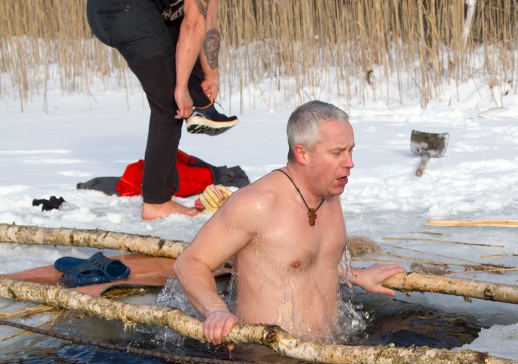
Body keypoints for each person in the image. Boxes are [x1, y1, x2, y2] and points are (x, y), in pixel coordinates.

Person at [174, 100, 406, 344]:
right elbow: (190, 262)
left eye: (351, 150)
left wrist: (357, 276)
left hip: (329, 352)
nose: (349, 163)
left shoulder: (328, 195)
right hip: (267, 362)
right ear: (302, 153)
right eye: (337, 153)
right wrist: (215, 310)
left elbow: (300, 262)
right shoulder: (257, 204)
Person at [86, 0, 238, 220]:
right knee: (170, 104)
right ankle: (156, 202)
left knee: (187, 40)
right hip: (124, 9)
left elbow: (207, 20)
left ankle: (202, 105)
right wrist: (181, 87)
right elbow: (194, 23)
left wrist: (211, 73)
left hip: (126, 11)